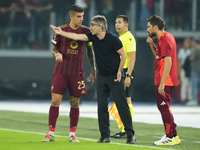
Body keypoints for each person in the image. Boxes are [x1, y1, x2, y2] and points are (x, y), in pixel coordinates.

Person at [50, 15, 136, 144]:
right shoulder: (93, 37)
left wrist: (119, 72)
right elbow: (77, 37)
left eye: (92, 25)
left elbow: (123, 55)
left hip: (114, 77)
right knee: (101, 107)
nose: (90, 27)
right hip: (102, 77)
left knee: (122, 106)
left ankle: (130, 135)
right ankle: (105, 136)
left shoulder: (113, 39)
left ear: (100, 27)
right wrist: (61, 32)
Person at [42, 5, 96, 142]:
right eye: (78, 16)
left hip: (77, 72)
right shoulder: (61, 29)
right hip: (61, 71)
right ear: (71, 16)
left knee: (75, 103)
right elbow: (53, 48)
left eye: (82, 16)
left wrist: (93, 69)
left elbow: (90, 51)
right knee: (55, 101)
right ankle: (50, 133)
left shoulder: (86, 31)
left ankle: (72, 134)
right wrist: (57, 53)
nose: (81, 19)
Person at [146, 15, 181, 145]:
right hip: (165, 79)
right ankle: (173, 134)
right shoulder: (166, 37)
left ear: (156, 27)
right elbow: (159, 56)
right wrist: (152, 45)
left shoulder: (164, 39)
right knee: (165, 107)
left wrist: (162, 83)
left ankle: (169, 136)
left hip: (164, 80)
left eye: (149, 26)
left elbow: (168, 62)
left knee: (163, 107)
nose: (147, 29)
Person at [110, 15, 136, 138]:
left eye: (119, 22)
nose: (117, 25)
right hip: (121, 71)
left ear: (126, 24)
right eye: (116, 22)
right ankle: (125, 129)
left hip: (126, 72)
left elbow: (132, 58)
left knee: (126, 100)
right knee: (122, 101)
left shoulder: (129, 38)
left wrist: (128, 75)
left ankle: (127, 129)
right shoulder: (121, 37)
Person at [186, 37, 200, 106]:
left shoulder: (196, 49)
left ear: (195, 43)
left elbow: (192, 58)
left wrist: (188, 57)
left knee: (193, 85)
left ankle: (194, 100)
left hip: (195, 70)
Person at [177, 38, 192, 103]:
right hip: (183, 68)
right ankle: (183, 99)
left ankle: (190, 98)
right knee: (184, 84)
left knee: (190, 84)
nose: (186, 44)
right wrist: (179, 69)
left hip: (190, 69)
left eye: (187, 43)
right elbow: (179, 60)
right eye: (185, 43)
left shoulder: (191, 51)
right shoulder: (181, 51)